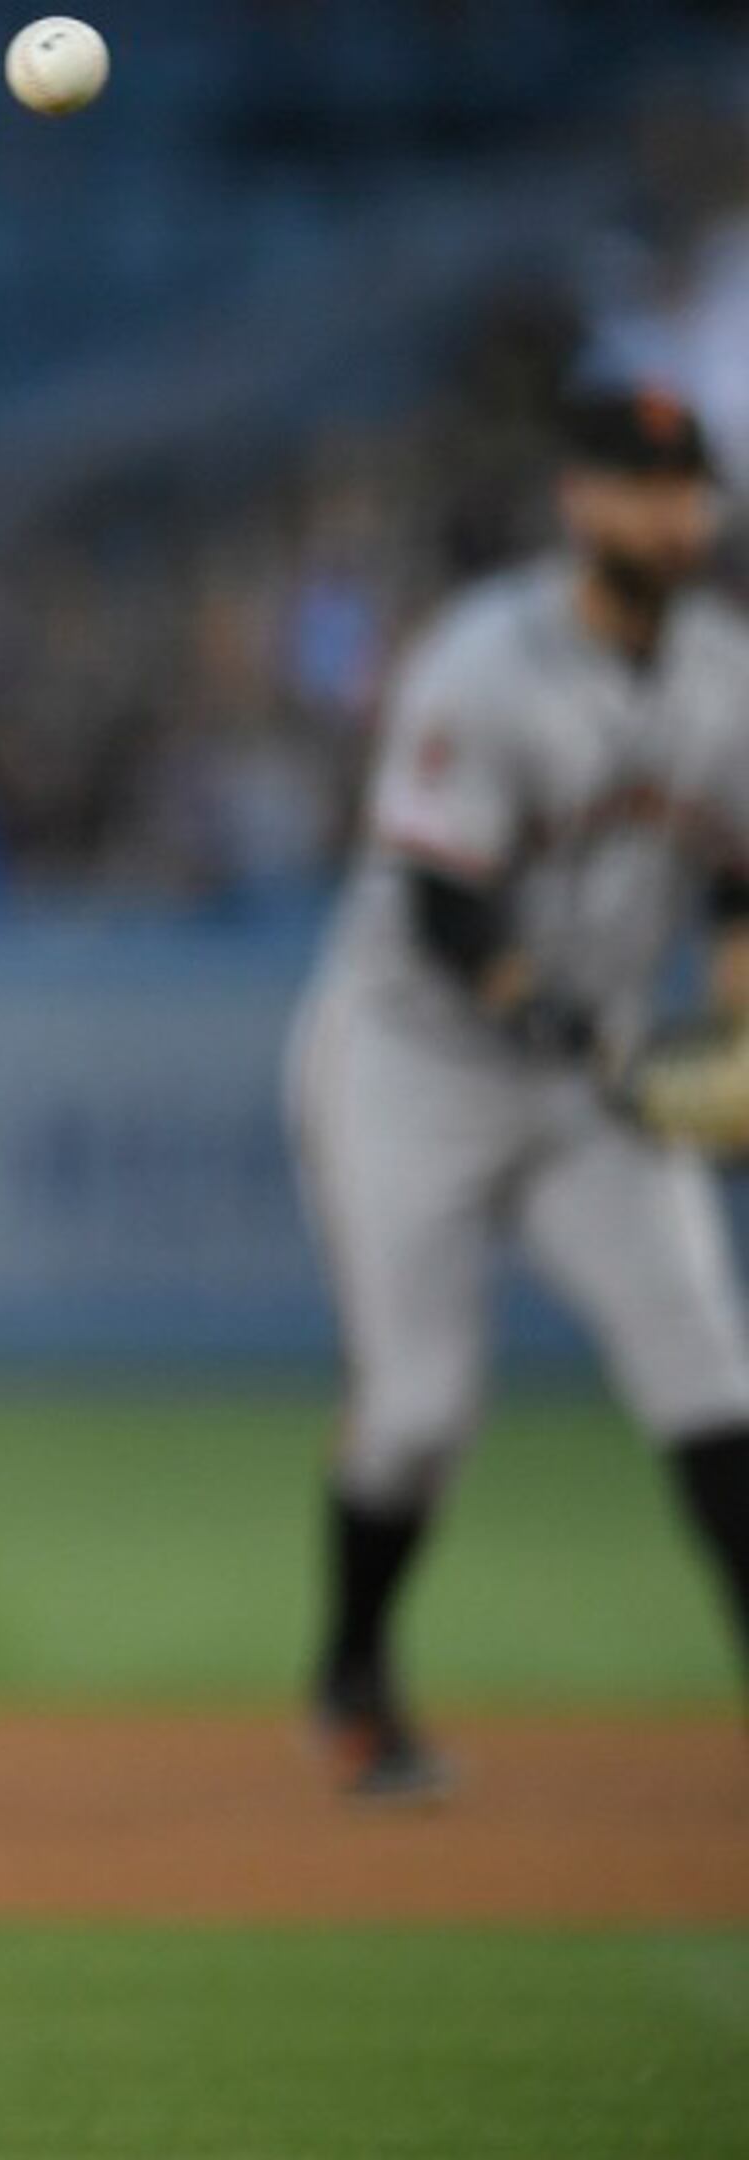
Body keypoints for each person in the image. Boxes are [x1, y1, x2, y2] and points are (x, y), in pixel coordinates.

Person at [287, 378, 749, 1803]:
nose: (668, 510)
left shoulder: (730, 674)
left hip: (596, 1079)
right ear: (580, 502)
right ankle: (354, 1673)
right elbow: (438, 905)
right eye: (637, 483)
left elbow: (737, 879)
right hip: (410, 1061)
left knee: (714, 1387)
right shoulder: (483, 662)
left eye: (686, 486)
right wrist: (567, 1029)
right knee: (419, 1412)